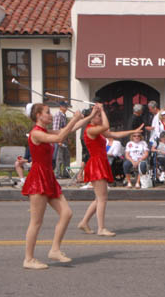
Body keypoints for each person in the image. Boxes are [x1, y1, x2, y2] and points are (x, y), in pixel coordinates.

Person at [21, 103, 91, 270]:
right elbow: (60, 138)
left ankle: (55, 250)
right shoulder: (36, 133)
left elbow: (69, 130)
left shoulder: (45, 131)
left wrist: (88, 116)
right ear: (38, 115)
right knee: (36, 222)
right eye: (47, 112)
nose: (50, 115)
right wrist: (73, 118)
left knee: (66, 213)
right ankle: (28, 259)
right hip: (38, 177)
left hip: (48, 176)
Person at [77, 104, 143, 236]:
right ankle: (101, 228)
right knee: (102, 198)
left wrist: (132, 131)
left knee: (99, 197)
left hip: (99, 162)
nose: (100, 118)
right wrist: (102, 110)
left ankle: (84, 222)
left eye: (100, 116)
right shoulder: (90, 130)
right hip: (96, 163)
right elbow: (107, 127)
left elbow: (114, 134)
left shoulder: (96, 129)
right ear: (90, 119)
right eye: (98, 116)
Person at [52, 101, 70, 179]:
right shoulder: (58, 115)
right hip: (59, 138)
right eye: (65, 106)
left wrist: (67, 138)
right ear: (61, 107)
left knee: (66, 156)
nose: (66, 108)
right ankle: (57, 173)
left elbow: (65, 128)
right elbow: (56, 128)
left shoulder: (64, 115)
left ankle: (66, 173)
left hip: (64, 138)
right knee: (59, 157)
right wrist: (58, 140)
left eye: (67, 106)